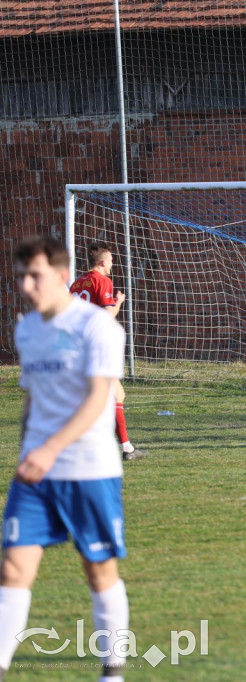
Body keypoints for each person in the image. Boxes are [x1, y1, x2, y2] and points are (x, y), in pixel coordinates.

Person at [1, 237, 131, 682]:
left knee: (98, 570)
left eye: (34, 274)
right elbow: (34, 401)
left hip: (88, 469)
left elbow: (98, 399)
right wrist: (29, 451)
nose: (26, 284)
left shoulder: (98, 329)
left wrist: (50, 449)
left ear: (60, 276)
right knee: (13, 567)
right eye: (21, 276)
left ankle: (112, 671)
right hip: (35, 473)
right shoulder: (27, 329)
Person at [68, 242, 146, 462]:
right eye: (111, 260)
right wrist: (119, 302)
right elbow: (106, 316)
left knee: (109, 396)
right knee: (113, 395)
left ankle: (123, 447)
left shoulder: (76, 283)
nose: (113, 263)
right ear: (102, 262)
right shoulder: (102, 280)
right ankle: (125, 449)